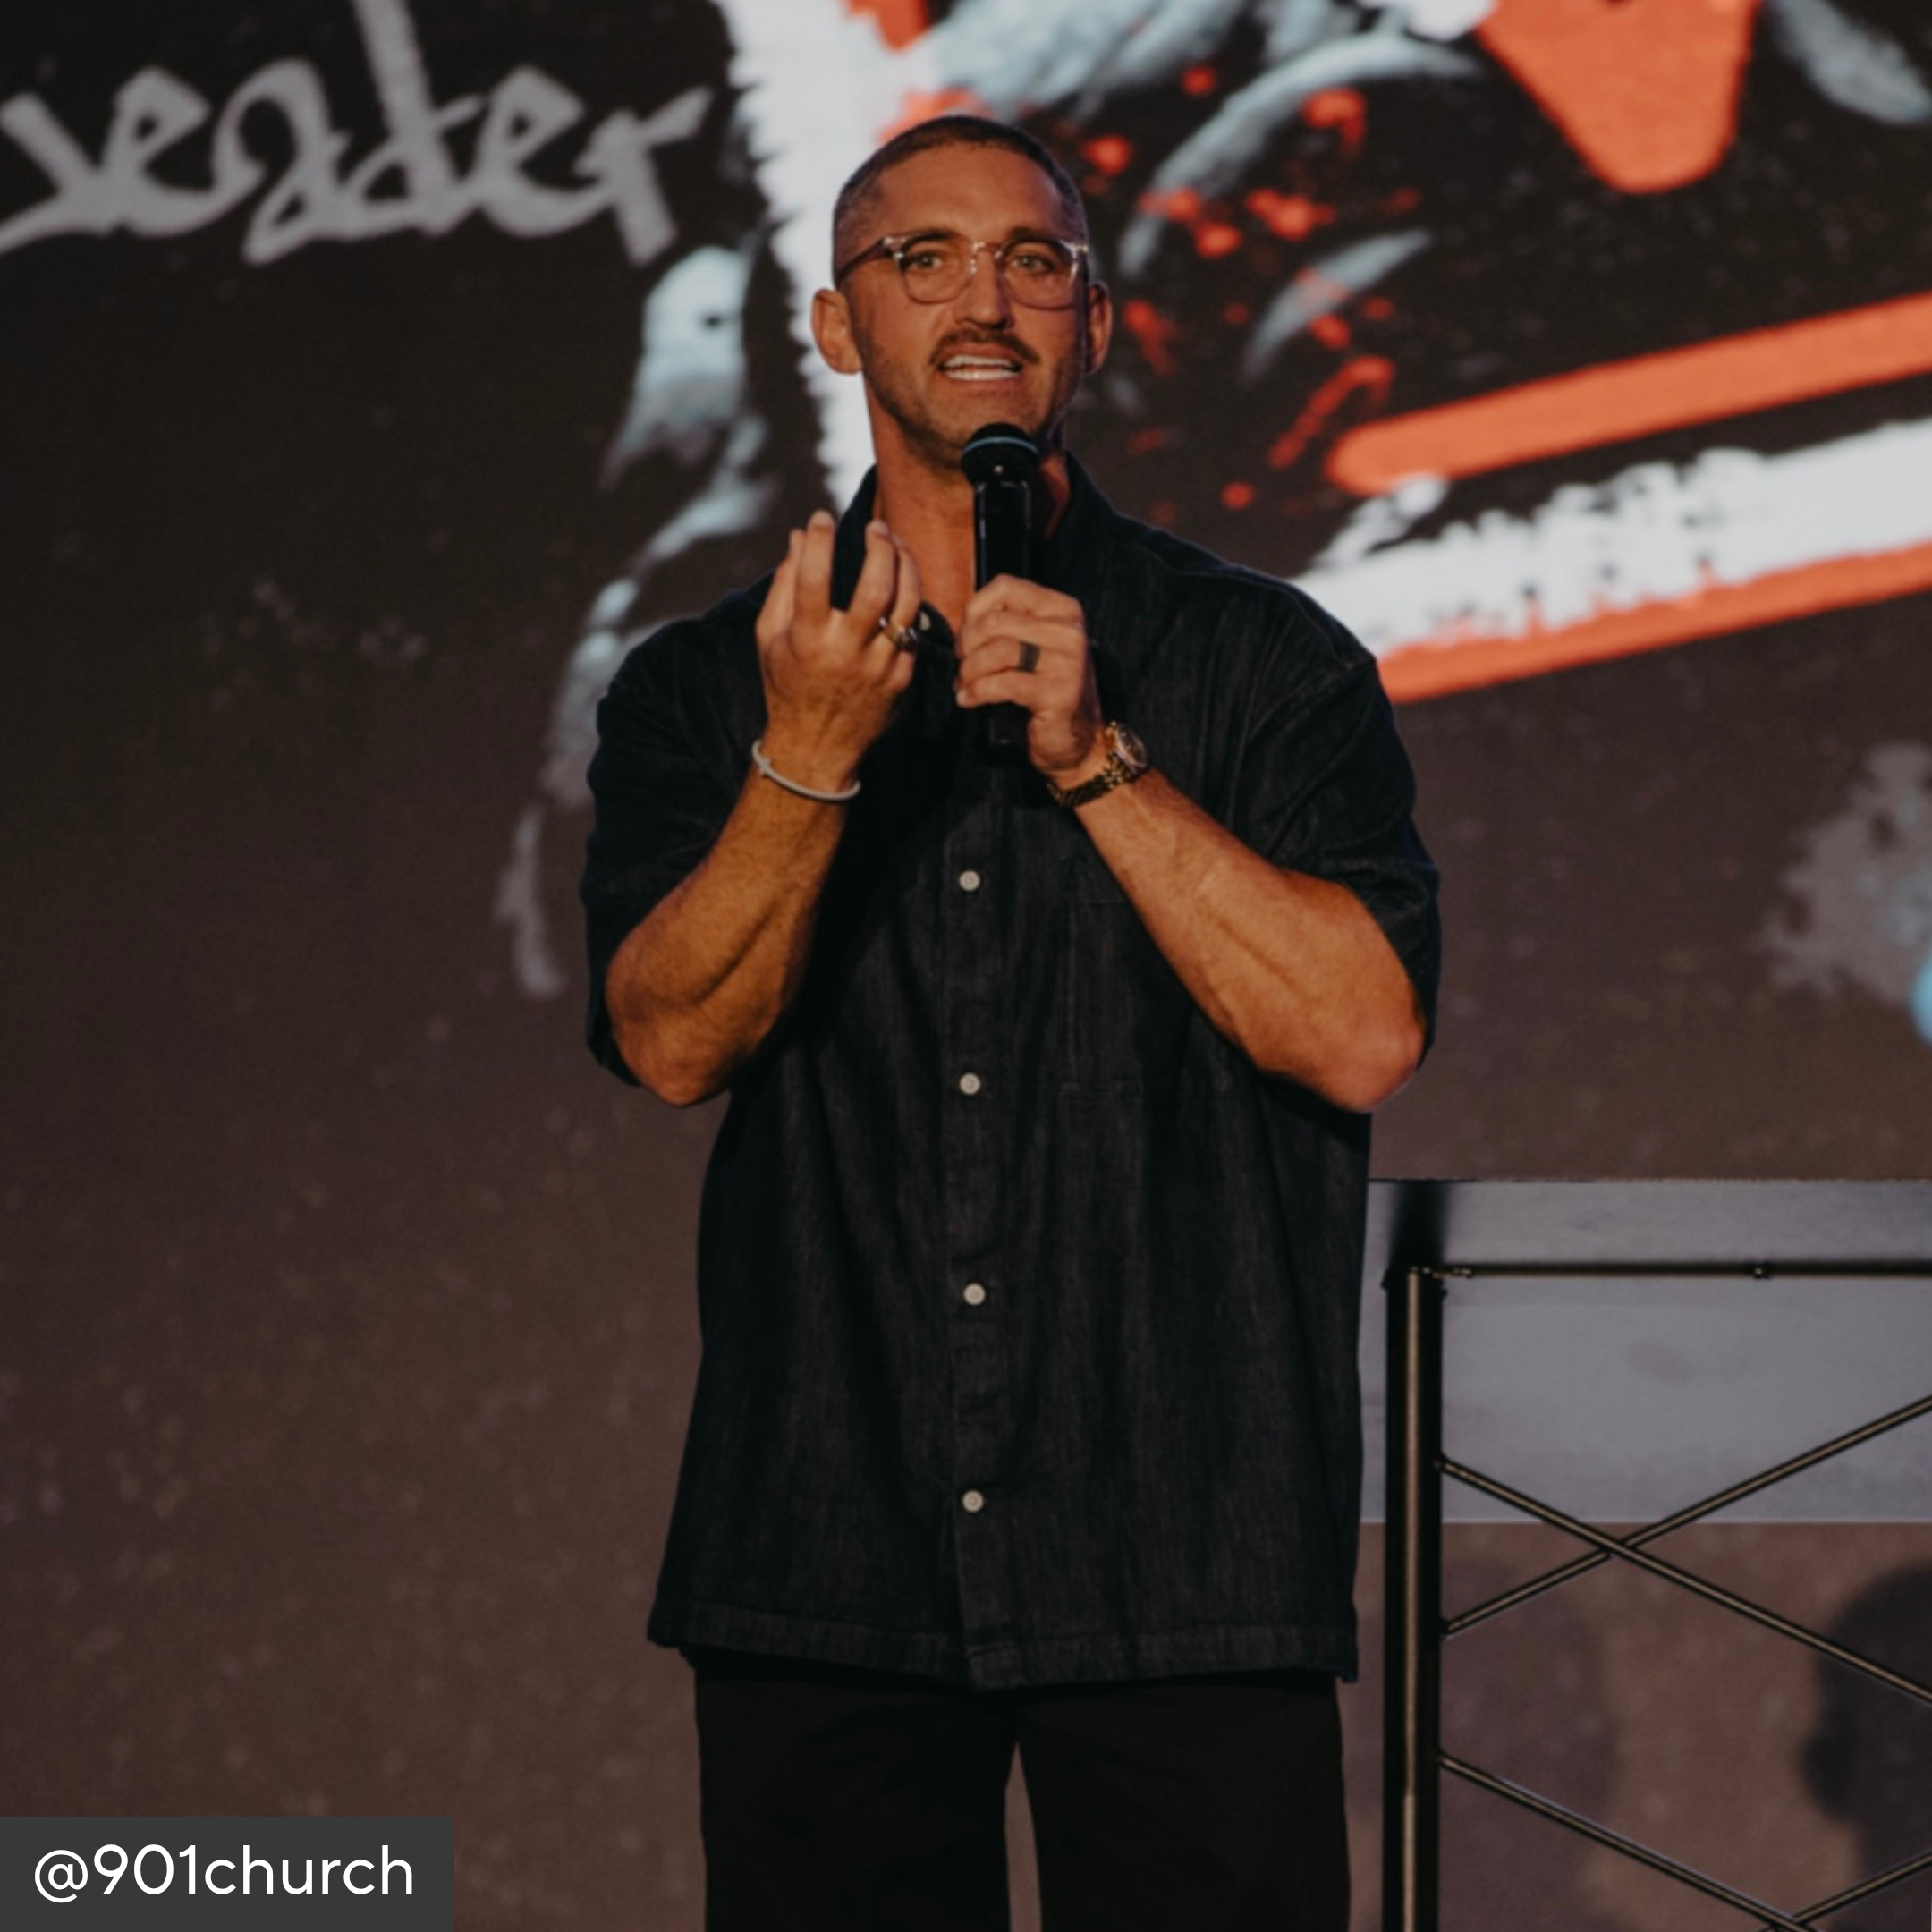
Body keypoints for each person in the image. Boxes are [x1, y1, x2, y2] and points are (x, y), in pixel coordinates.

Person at [580, 114, 1439, 1932]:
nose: (986, 297)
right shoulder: (698, 686)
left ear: (1098, 328)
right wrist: (804, 761)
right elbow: (668, 1042)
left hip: (1184, 1541)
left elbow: (1361, 1035)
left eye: (1034, 259)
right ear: (835, 326)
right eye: (926, 258)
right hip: (831, 1544)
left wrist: (1102, 769)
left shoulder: (1262, 665)